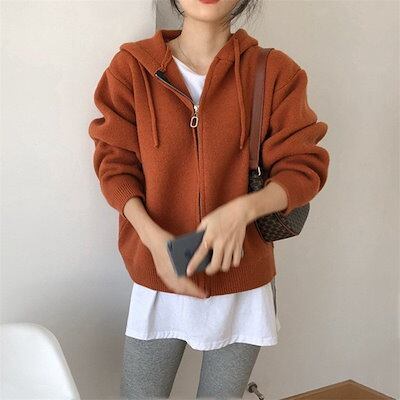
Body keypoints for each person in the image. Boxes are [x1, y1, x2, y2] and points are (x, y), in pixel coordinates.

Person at [88, 0, 330, 398]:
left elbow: (304, 166)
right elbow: (115, 164)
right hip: (160, 269)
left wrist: (242, 210)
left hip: (242, 276)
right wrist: (151, 239)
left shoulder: (275, 72)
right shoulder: (132, 69)